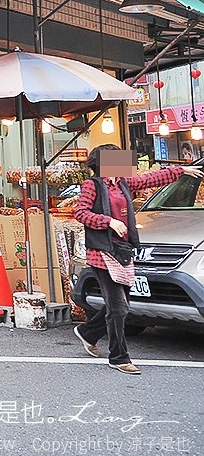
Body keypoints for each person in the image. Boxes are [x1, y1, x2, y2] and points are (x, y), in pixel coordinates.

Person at [73, 144, 202, 374]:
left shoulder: (122, 183)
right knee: (119, 307)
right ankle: (119, 357)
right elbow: (80, 213)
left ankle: (88, 332)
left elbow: (149, 179)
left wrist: (181, 171)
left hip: (121, 250)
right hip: (102, 253)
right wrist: (108, 222)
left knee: (121, 305)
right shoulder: (91, 185)